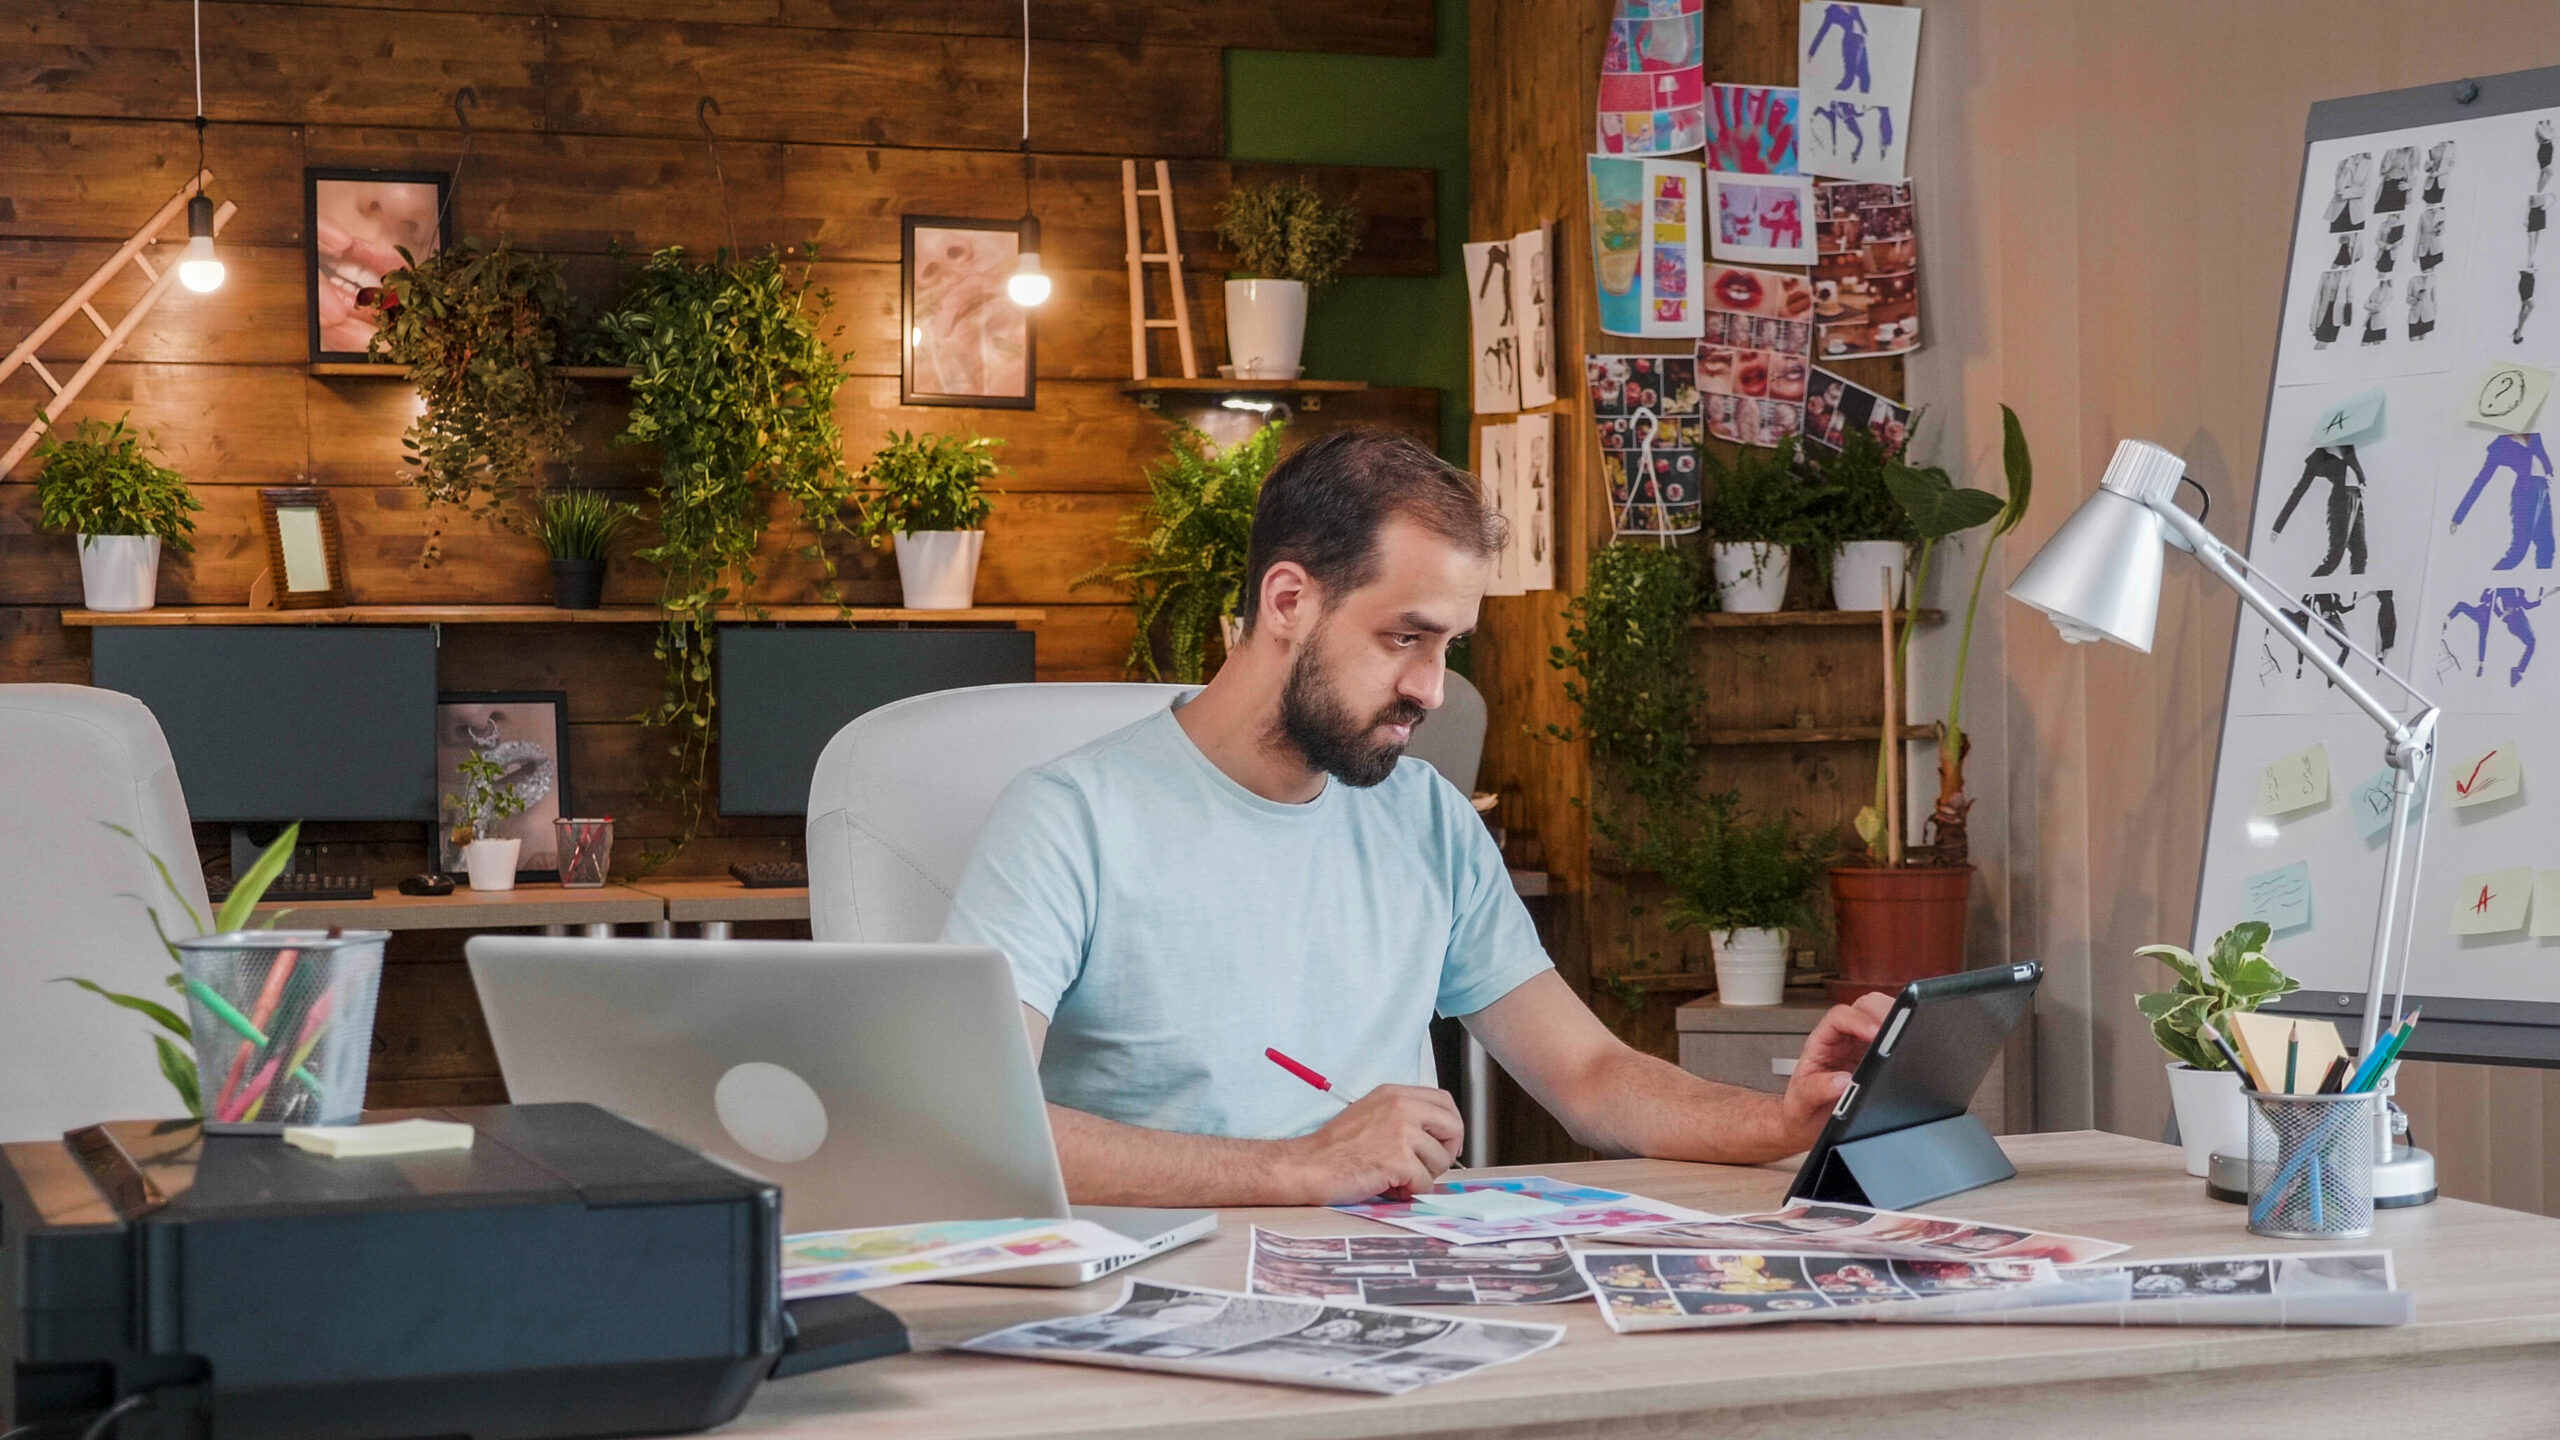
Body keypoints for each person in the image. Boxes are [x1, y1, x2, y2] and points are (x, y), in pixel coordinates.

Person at [941, 431, 1892, 1206]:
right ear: (1288, 600)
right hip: (1169, 1299)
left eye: (1449, 647)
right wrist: (1300, 1167)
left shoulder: (1427, 816)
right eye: (1404, 636)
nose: (1433, 690)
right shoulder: (1069, 820)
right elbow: (969, 1123)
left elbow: (1591, 1076)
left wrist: (1779, 1122)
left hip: (1401, 1290)